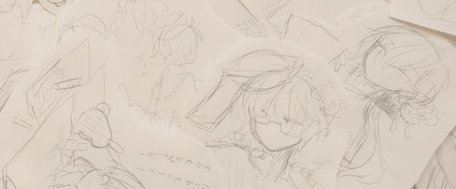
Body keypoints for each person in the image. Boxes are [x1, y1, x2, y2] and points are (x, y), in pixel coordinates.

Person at [186, 50, 336, 189]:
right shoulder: (229, 157)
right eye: (288, 122)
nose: (296, 134)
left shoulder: (293, 170)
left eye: (301, 126)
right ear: (261, 114)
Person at [335, 26, 448, 185]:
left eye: (412, 87)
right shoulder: (343, 68)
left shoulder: (382, 104)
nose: (406, 87)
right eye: (402, 72)